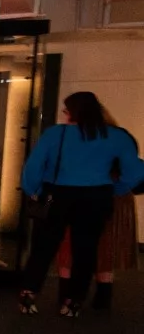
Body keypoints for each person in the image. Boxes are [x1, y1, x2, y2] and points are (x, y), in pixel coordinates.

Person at [19, 91, 144, 317]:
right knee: (85, 249)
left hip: (57, 194)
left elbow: (34, 166)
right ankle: (73, 302)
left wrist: (34, 190)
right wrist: (117, 188)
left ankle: (29, 293)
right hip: (96, 197)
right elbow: (135, 172)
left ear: (74, 112)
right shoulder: (116, 136)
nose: (64, 114)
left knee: (43, 248)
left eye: (66, 110)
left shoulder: (56, 134)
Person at [55, 107, 137, 312]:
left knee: (69, 242)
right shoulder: (120, 136)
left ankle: (66, 295)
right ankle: (102, 298)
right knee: (104, 245)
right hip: (115, 196)